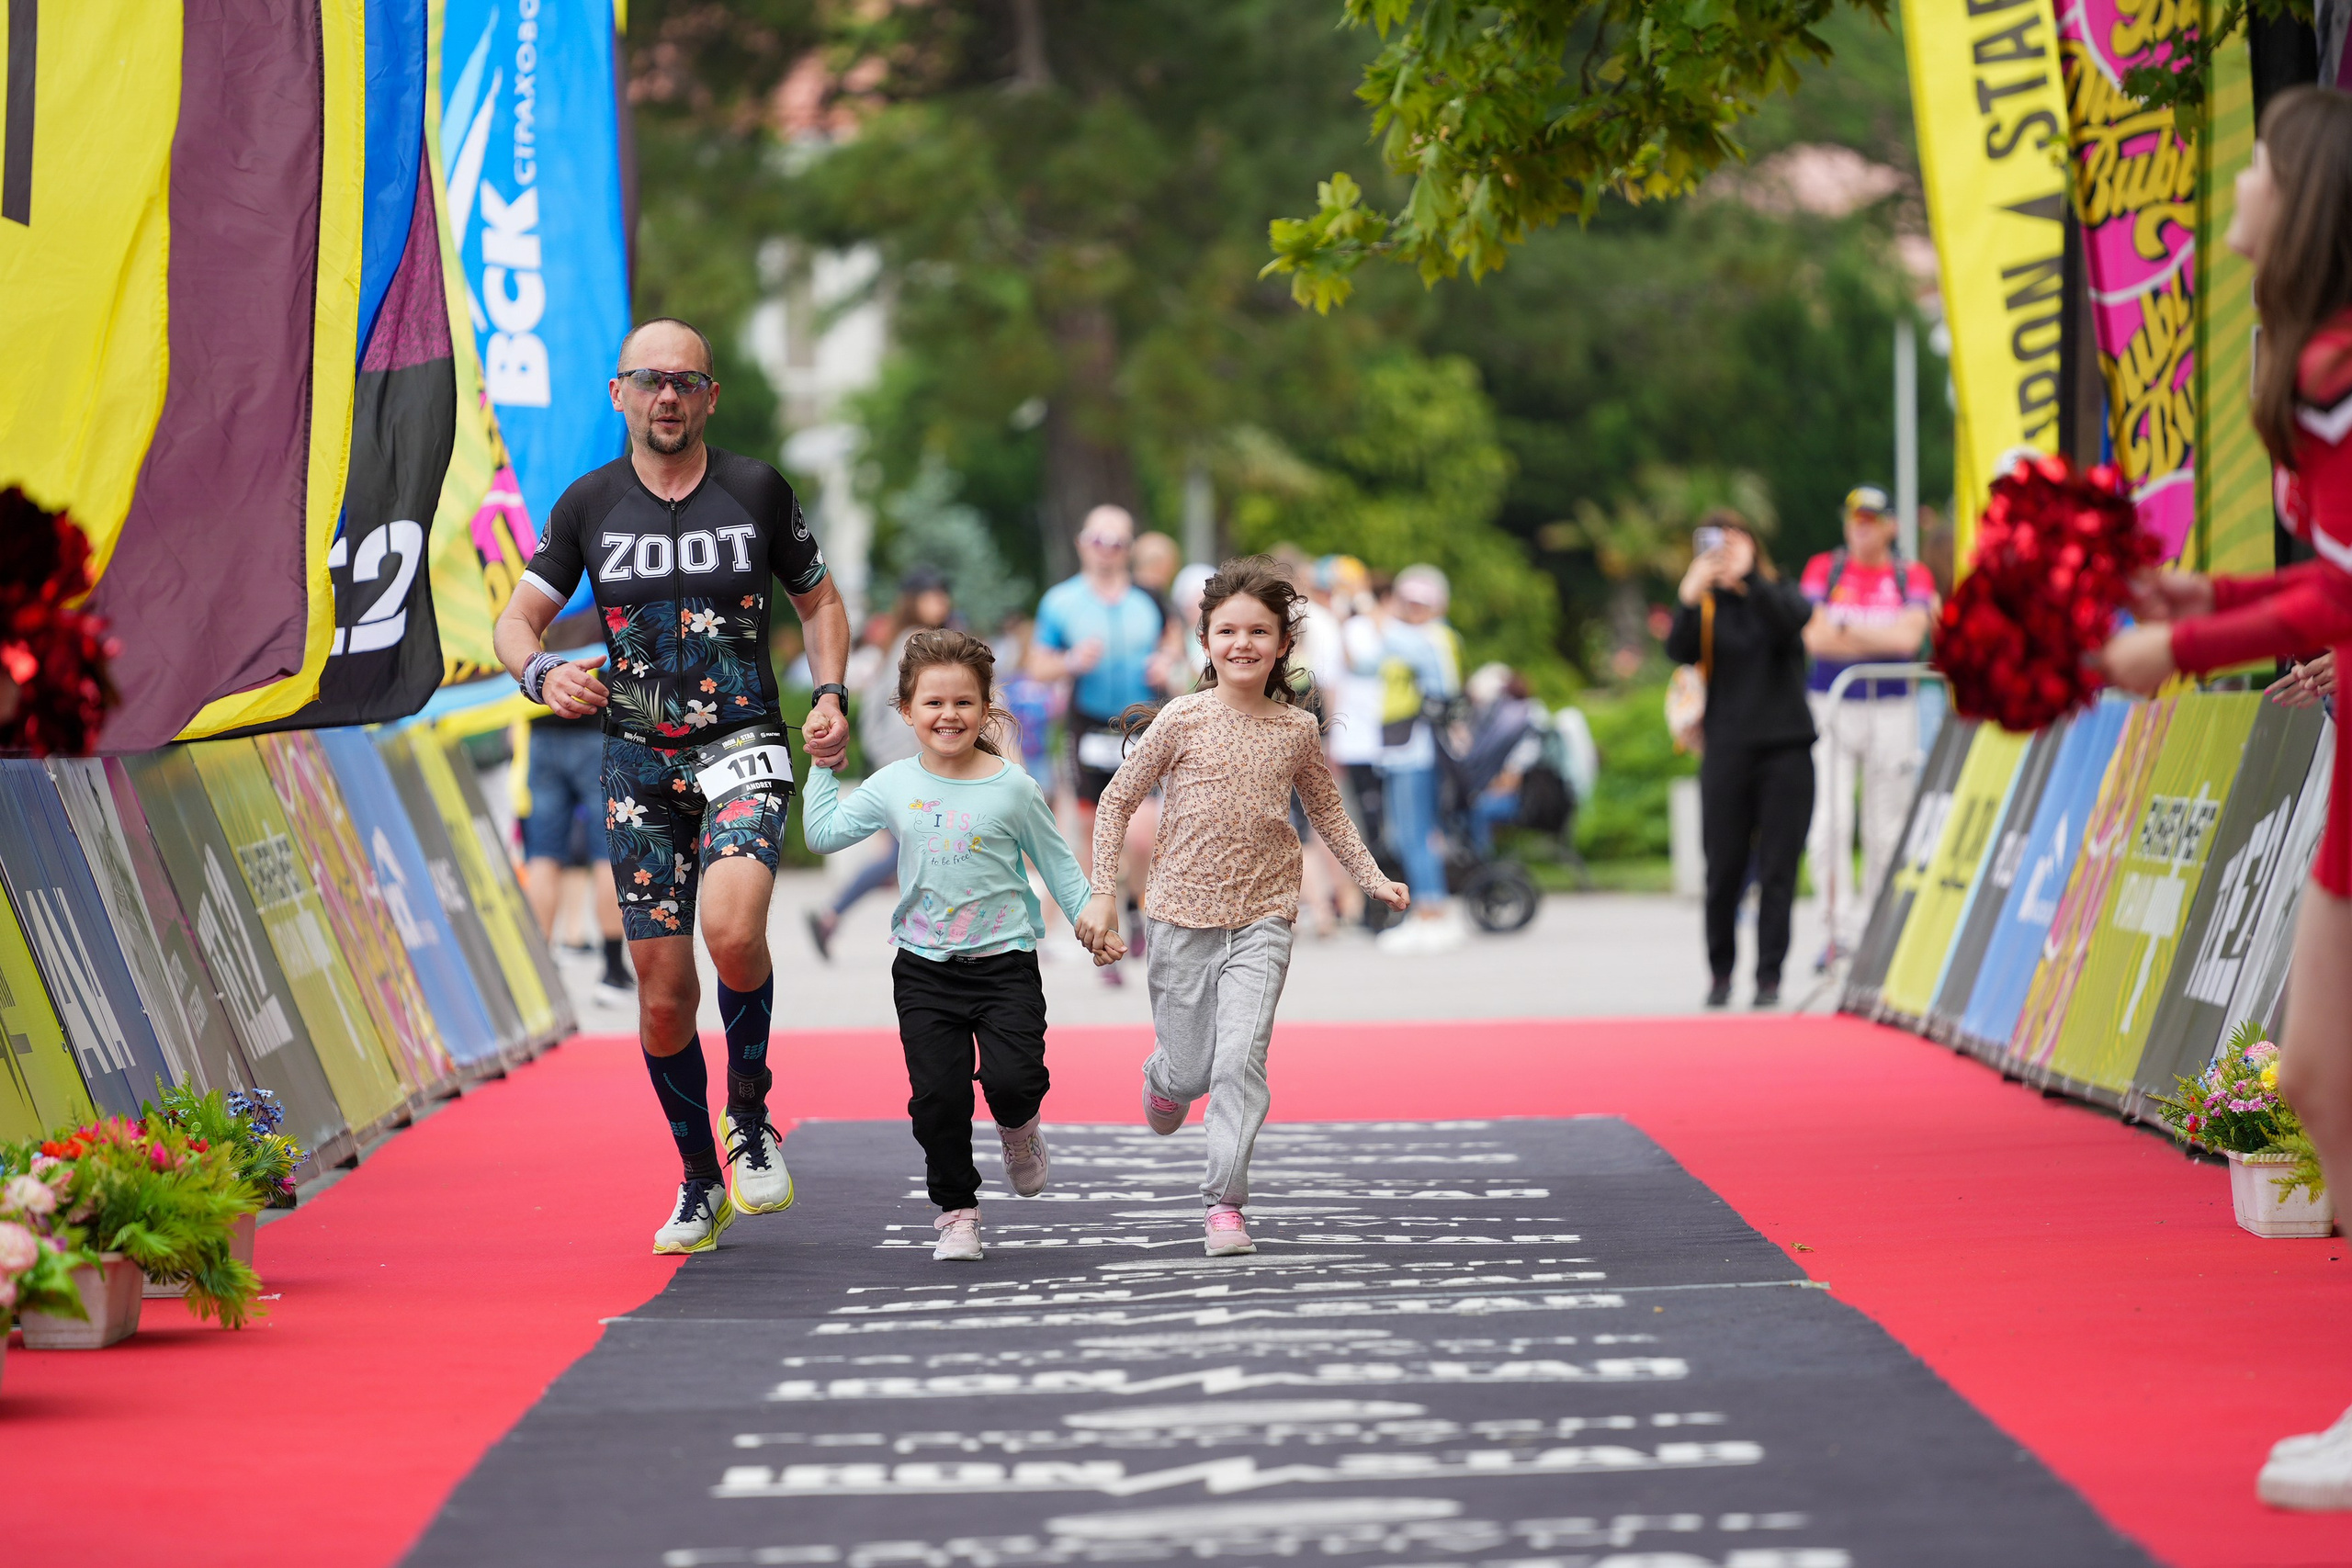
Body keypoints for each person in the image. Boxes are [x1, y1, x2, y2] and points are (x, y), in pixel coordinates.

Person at [2096, 86, 2352, 1511]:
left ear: (2303, 200)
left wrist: (2178, 648)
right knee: (2316, 1074)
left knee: (2324, 1072)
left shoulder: (2332, 367)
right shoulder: (2309, 364)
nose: (2237, 185)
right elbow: (2324, 580)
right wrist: (2207, 592)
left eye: (2256, 165)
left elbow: (2338, 597)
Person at [492, 316, 853, 1255]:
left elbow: (819, 599)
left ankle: (749, 1115)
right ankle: (699, 1180)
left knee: (732, 932)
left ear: (709, 398)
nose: (666, 396)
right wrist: (541, 673)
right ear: (619, 393)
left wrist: (830, 693)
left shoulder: (755, 490)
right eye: (649, 380)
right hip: (637, 761)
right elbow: (516, 622)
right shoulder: (588, 504)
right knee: (660, 992)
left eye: (684, 382)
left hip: (742, 741)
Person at [1075, 558, 1408, 1256]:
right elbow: (1116, 800)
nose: (1243, 643)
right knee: (1191, 1070)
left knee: (1239, 1062)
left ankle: (1224, 1203)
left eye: (1259, 631)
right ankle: (1164, 1078)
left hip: (1265, 916)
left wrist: (1371, 877)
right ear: (1205, 640)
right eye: (1227, 630)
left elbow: (1328, 812)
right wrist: (1103, 892)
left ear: (1283, 644)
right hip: (1178, 916)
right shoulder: (1182, 717)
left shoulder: (1296, 730)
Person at [802, 629, 1118, 1261]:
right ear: (907, 710)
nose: (949, 715)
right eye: (934, 703)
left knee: (1014, 1080)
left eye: (964, 702)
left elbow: (1059, 867)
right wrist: (820, 763)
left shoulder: (1014, 787)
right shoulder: (893, 783)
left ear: (985, 708)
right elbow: (823, 833)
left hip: (1006, 964)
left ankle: (1020, 1130)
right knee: (937, 1100)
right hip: (924, 970)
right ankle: (957, 1212)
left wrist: (1095, 926)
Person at [1665, 510, 1816, 1009]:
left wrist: (1752, 579)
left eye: (1733, 542)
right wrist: (1689, 596)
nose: (1723, 552)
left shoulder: (1777, 592)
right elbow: (1678, 651)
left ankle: (1769, 976)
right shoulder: (1708, 606)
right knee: (1723, 867)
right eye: (1713, 543)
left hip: (1786, 747)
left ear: (1753, 544)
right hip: (1727, 748)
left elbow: (1793, 621)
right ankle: (1720, 973)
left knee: (1779, 869)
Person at [1800, 485, 1939, 966]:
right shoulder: (1825, 568)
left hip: (1892, 706)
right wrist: (1877, 637)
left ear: (1890, 526)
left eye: (1871, 519)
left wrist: (1845, 630)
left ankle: (1877, 933)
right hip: (1831, 704)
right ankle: (1836, 930)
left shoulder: (1910, 574)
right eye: (1854, 518)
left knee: (1886, 825)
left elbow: (1908, 641)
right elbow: (1814, 639)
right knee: (1830, 822)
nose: (1861, 527)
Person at [1027, 505, 1167, 977]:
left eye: (1117, 542)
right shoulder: (1061, 601)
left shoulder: (1150, 600)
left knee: (1143, 836)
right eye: (1098, 541)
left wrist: (1166, 664)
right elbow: (1037, 665)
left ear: (1129, 548)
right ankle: (1103, 933)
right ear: (1082, 544)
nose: (1107, 550)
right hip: (1087, 727)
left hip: (1142, 725)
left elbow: (1177, 649)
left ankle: (1134, 907)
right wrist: (1070, 661)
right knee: (1091, 833)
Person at [806, 567, 956, 960]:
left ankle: (833, 917)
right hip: (910, 761)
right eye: (933, 594)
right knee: (917, 852)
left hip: (899, 760)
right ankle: (837, 916)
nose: (941, 602)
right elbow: (899, 713)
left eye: (943, 594)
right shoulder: (916, 644)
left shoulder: (903, 640)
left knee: (911, 853)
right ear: (914, 600)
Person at [1364, 564, 1465, 953]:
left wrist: (1373, 611)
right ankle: (1426, 911)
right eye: (1408, 602)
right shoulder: (1410, 636)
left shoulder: (1434, 637)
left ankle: (1432, 913)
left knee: (1417, 833)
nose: (1414, 609)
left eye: (1422, 603)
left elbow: (1400, 648)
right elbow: (1367, 663)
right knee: (1406, 835)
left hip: (1419, 749)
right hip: (1399, 748)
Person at [518, 674, 633, 1004]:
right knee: (607, 852)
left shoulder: (535, 633)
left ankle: (539, 976)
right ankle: (613, 971)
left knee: (543, 855)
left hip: (542, 728)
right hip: (597, 730)